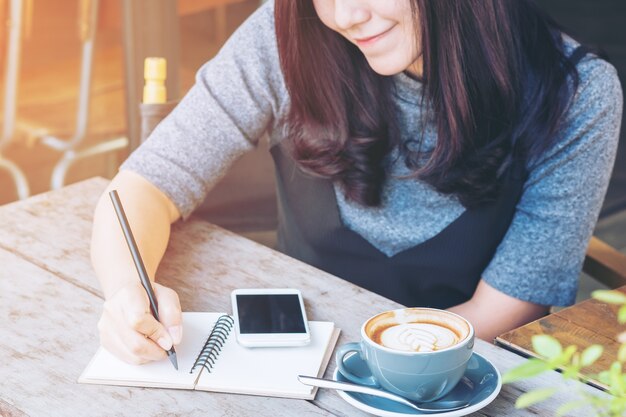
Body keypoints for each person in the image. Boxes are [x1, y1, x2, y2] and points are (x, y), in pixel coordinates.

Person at [92, 0, 623, 365]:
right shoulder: (287, 34)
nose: (346, 16)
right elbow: (143, 186)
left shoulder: (577, 94)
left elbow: (502, 312)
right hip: (287, 358)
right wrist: (125, 292)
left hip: (453, 376)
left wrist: (350, 367)